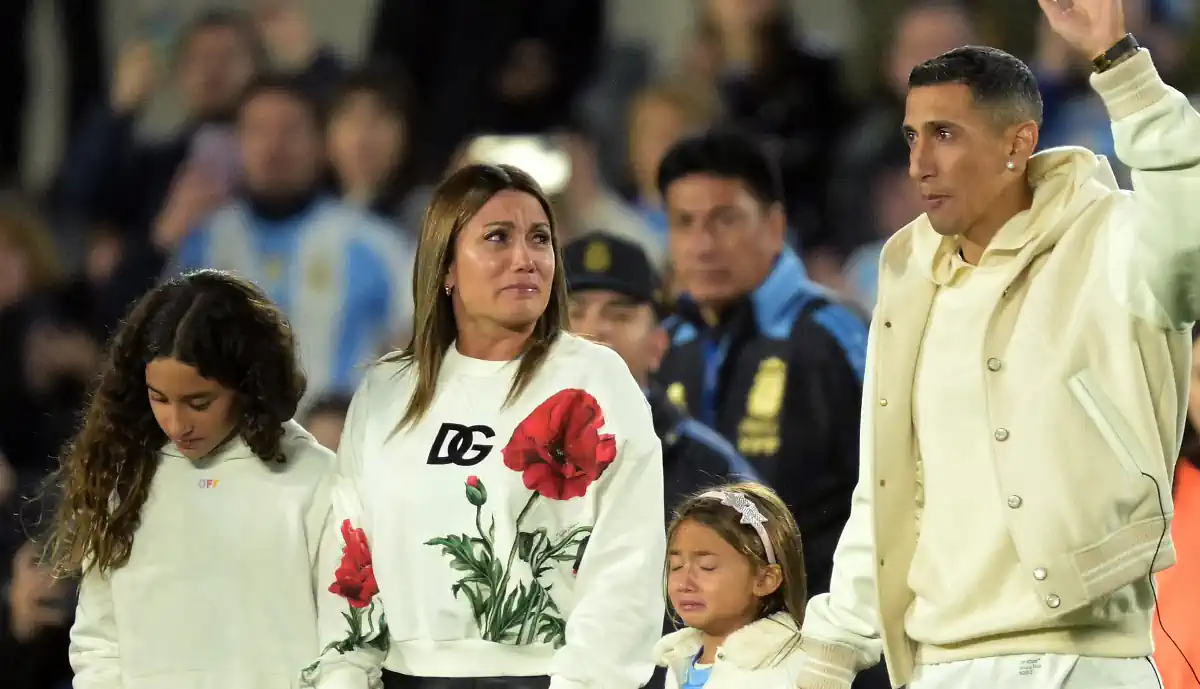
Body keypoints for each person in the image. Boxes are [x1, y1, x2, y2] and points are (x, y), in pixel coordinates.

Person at [795, 1, 1200, 687]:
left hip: (1085, 659)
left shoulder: (1112, 239)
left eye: (944, 133)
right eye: (911, 136)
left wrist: (1120, 66)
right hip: (938, 664)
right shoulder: (905, 277)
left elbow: (1188, 232)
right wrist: (829, 651)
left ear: (1018, 143)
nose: (919, 163)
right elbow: (891, 485)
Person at [302, 164, 665, 689]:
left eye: (540, 239)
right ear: (446, 266)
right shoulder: (388, 389)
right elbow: (349, 558)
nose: (526, 258)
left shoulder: (596, 379)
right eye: (498, 237)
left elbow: (626, 566)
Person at [44, 269, 334, 688]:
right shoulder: (125, 481)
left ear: (248, 383)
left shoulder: (314, 480)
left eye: (199, 402)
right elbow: (99, 644)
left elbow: (347, 646)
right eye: (158, 398)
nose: (176, 423)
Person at [654, 129, 868, 600]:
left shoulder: (836, 336)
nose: (702, 245)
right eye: (684, 223)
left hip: (820, 632)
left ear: (774, 226)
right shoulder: (664, 347)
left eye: (724, 220)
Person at [563, 231, 758, 511]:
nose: (594, 330)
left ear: (657, 346)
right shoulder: (502, 442)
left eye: (619, 316)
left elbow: (766, 546)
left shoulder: (712, 470)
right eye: (574, 313)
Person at [656, 482, 810, 688]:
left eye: (707, 566)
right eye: (676, 566)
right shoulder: (677, 662)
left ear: (765, 580)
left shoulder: (792, 669)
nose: (684, 583)